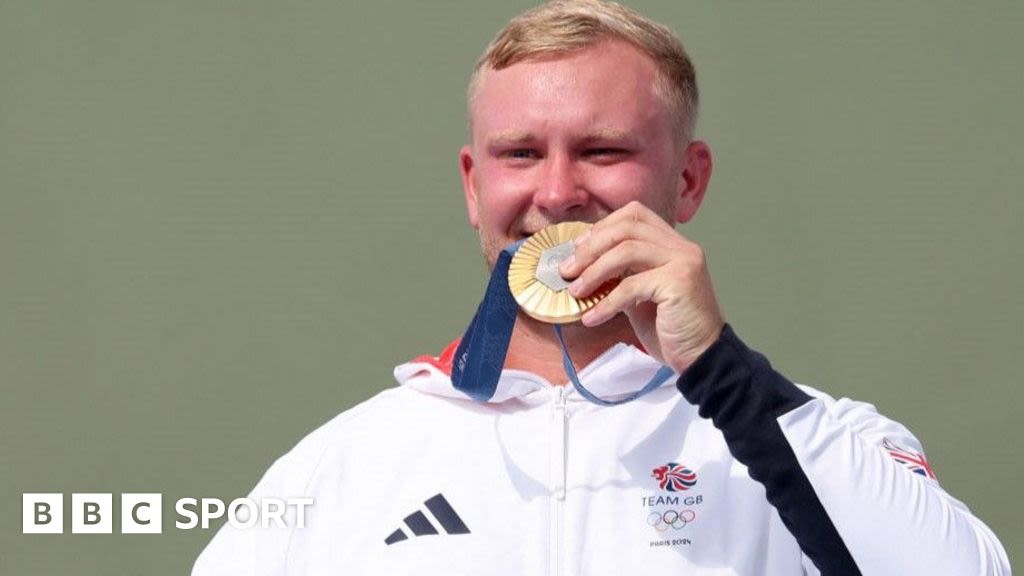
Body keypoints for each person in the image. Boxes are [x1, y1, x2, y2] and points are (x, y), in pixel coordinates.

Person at [193, 1, 1010, 574]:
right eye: (520, 154)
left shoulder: (811, 440)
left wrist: (722, 375)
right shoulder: (341, 468)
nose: (556, 193)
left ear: (687, 181)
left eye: (602, 150)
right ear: (474, 187)